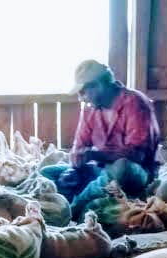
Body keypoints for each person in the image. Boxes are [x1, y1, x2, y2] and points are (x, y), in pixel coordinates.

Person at [45, 60, 161, 218]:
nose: (81, 98)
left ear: (99, 85)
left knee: (122, 167)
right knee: (47, 173)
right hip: (100, 171)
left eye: (83, 92)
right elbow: (79, 148)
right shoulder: (90, 110)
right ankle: (68, 202)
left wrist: (95, 155)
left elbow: (137, 154)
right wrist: (74, 167)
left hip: (137, 173)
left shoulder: (135, 103)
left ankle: (74, 209)